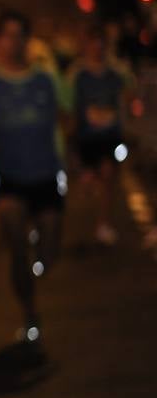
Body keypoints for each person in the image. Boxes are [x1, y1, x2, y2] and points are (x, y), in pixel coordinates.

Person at [0, 11, 70, 342]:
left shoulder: (46, 78)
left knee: (49, 252)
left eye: (20, 34)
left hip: (46, 173)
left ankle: (38, 264)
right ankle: (29, 311)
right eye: (7, 35)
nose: (14, 42)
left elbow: (65, 115)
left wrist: (69, 156)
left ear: (28, 40)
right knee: (16, 247)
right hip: (10, 178)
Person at [68, 25, 134, 246]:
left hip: (109, 136)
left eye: (101, 44)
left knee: (108, 175)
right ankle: (88, 186)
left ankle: (103, 223)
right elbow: (70, 105)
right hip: (86, 137)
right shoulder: (77, 74)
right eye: (93, 44)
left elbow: (129, 94)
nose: (97, 49)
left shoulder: (117, 72)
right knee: (91, 180)